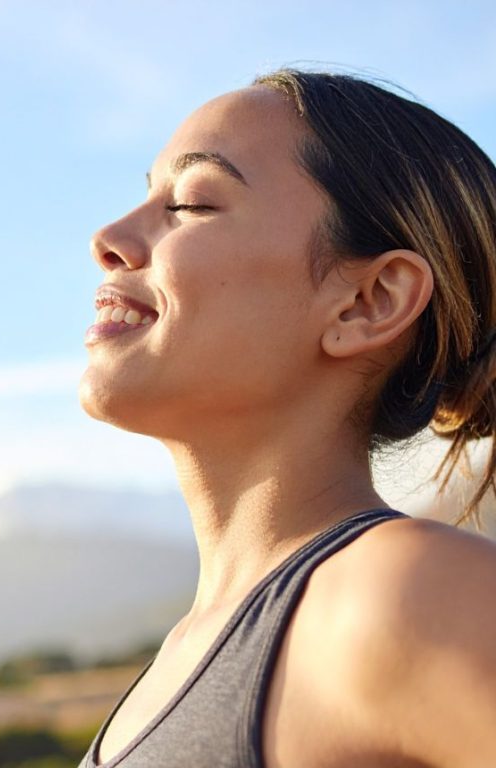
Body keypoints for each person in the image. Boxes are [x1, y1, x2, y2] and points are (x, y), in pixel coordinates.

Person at [76, 68, 496, 768]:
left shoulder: (401, 598)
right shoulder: (186, 651)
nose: (108, 237)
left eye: (191, 203)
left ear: (369, 302)